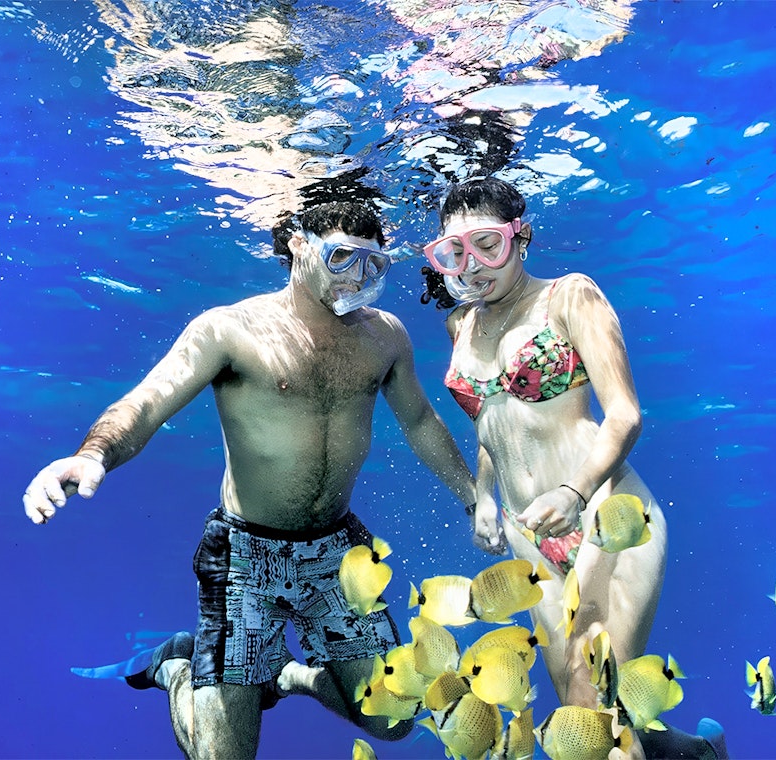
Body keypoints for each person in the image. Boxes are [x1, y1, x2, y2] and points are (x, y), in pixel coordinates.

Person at [23, 201, 478, 760]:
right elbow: (147, 403)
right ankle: (177, 668)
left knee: (392, 720)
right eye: (342, 257)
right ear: (298, 245)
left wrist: (472, 496)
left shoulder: (385, 336)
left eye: (372, 264)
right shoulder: (229, 329)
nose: (356, 277)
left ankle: (289, 676)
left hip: (338, 553)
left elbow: (420, 421)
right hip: (245, 555)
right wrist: (93, 455)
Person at [421, 177, 728, 759]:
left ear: (521, 237)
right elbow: (492, 424)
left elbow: (625, 415)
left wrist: (574, 491)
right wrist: (484, 495)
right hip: (529, 539)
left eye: (488, 244)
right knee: (579, 724)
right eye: (454, 252)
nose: (472, 265)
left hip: (605, 520)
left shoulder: (570, 296)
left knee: (594, 703)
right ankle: (694, 754)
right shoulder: (460, 325)